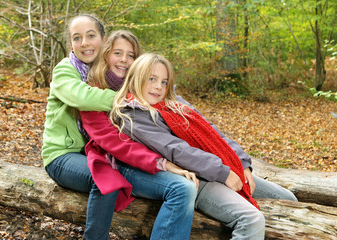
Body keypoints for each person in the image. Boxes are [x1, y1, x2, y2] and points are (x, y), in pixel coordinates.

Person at [110, 53, 298, 240]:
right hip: (197, 178)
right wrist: (223, 173)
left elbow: (213, 132)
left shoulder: (175, 103)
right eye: (152, 79)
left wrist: (242, 163)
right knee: (251, 219)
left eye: (164, 82)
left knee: (288, 199)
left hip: (219, 166)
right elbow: (177, 150)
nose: (159, 86)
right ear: (137, 77)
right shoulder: (133, 114)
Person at [41, 14, 197, 239]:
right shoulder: (66, 70)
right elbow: (82, 97)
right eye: (77, 38)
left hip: (97, 154)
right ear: (71, 44)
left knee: (171, 185)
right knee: (107, 179)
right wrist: (127, 99)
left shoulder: (113, 73)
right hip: (63, 155)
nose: (84, 42)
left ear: (103, 41)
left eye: (91, 35)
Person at [79, 30, 198, 240]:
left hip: (153, 160)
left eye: (131, 55)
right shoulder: (93, 91)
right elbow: (113, 143)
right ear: (106, 54)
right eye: (118, 53)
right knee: (182, 188)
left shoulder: (146, 88)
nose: (124, 60)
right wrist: (166, 164)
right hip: (120, 163)